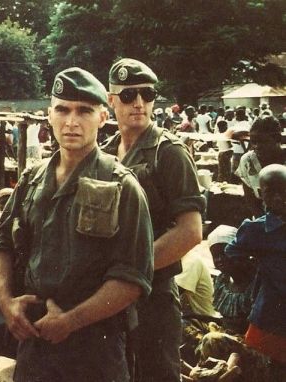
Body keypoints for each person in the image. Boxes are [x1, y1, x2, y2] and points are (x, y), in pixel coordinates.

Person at [0, 67, 154, 382]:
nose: (72, 122)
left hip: (95, 347)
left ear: (103, 117)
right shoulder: (32, 179)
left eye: (84, 111)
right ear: (49, 115)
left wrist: (70, 321)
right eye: (62, 110)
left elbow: (132, 278)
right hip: (35, 342)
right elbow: (1, 245)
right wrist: (6, 302)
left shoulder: (122, 185)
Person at [102, 58, 205, 382]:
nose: (139, 103)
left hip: (153, 295)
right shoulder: (103, 154)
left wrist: (133, 272)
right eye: (129, 94)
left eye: (147, 94)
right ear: (111, 100)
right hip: (105, 295)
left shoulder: (169, 152)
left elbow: (190, 231)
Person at [225, 164, 286, 381]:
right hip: (271, 310)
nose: (279, 198)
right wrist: (256, 273)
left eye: (284, 191)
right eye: (271, 192)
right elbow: (231, 253)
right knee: (267, 369)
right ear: (261, 194)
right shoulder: (256, 230)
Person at [207, 225, 255, 335]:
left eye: (224, 254)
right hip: (227, 334)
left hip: (249, 340)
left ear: (239, 251)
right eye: (215, 256)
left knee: (211, 340)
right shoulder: (222, 281)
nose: (219, 260)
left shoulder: (255, 282)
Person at [235, 116, 285, 218]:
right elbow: (250, 200)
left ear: (278, 139)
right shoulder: (247, 162)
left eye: (263, 141)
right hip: (263, 221)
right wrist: (265, 225)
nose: (257, 146)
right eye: (253, 142)